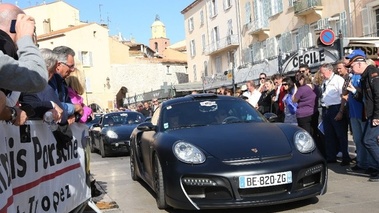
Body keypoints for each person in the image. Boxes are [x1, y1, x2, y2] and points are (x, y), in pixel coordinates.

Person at [345, 49, 379, 181]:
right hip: (371, 114)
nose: (351, 69)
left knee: (368, 140)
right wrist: (354, 90)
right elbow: (364, 97)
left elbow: (377, 96)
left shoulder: (372, 73)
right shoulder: (365, 76)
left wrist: (377, 116)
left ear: (359, 63)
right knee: (367, 140)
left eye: (352, 66)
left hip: (375, 115)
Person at [319, 63, 350, 166]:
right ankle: (331, 156)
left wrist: (341, 111)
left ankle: (346, 157)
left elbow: (344, 96)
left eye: (323, 73)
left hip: (335, 108)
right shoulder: (325, 81)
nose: (322, 75)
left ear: (329, 71)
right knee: (329, 135)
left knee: (340, 134)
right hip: (326, 109)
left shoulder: (338, 80)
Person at [50, 45, 83, 124]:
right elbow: (54, 105)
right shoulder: (50, 80)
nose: (72, 70)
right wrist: (75, 108)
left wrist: (73, 114)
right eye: (70, 66)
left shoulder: (62, 82)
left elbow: (67, 104)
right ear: (58, 65)